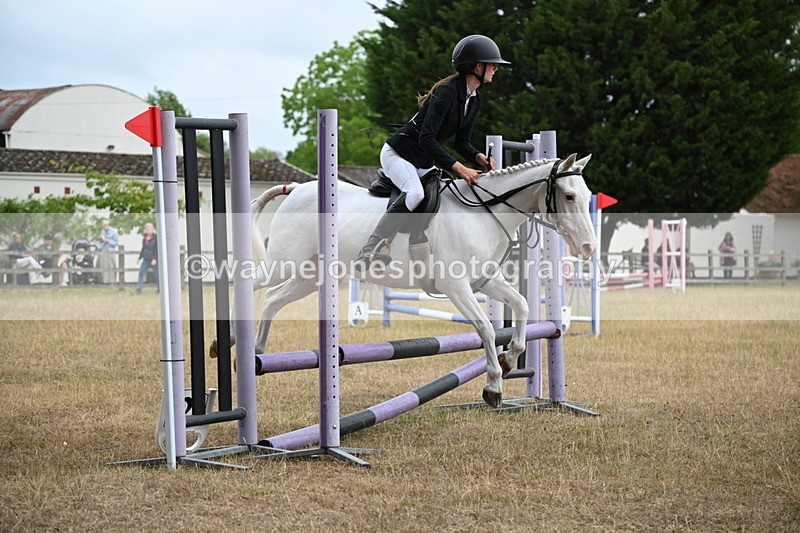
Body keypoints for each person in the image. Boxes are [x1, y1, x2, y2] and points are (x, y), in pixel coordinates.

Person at [356, 34, 510, 268]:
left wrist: (477, 157)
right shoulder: (446, 94)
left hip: (422, 159)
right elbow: (427, 138)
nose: (496, 69)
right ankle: (371, 248)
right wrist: (459, 167)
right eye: (493, 65)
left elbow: (461, 142)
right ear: (478, 67)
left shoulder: (474, 99)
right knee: (415, 194)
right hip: (399, 153)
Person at [135, 223, 158, 294]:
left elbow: (158, 249)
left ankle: (160, 288)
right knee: (141, 272)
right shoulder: (144, 239)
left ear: (153, 229)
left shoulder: (156, 238)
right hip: (146, 259)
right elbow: (143, 249)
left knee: (157, 274)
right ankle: (139, 288)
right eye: (147, 229)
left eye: (150, 229)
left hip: (153, 259)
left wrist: (155, 259)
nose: (148, 231)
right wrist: (139, 257)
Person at [97, 219, 119, 284]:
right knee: (103, 265)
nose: (105, 227)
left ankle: (112, 280)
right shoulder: (102, 231)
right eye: (104, 226)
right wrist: (100, 239)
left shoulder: (114, 232)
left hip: (110, 250)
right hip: (103, 250)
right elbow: (101, 241)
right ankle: (104, 280)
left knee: (111, 265)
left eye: (106, 225)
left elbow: (116, 242)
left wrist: (107, 240)